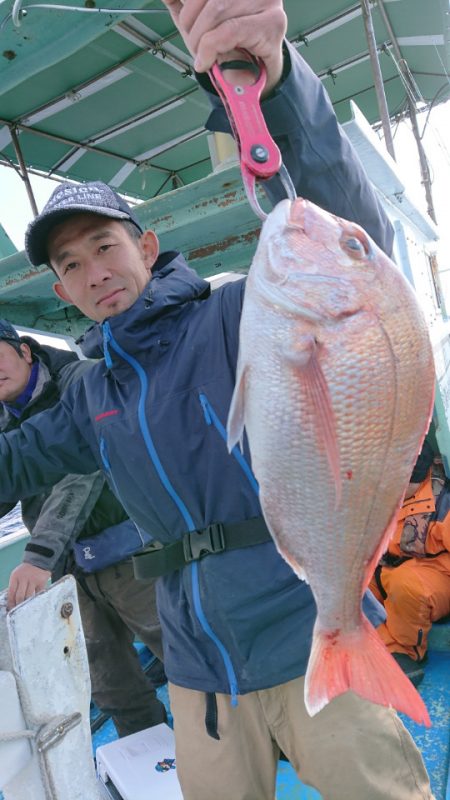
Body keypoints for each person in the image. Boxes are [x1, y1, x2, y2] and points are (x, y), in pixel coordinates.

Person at [0, 2, 434, 798]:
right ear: (60, 290)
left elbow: (338, 217)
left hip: (301, 624)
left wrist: (278, 83)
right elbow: (14, 460)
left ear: (147, 247)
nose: (94, 271)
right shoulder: (90, 391)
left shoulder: (240, 316)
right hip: (196, 668)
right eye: (71, 264)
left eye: (106, 244)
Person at [0, 319, 167, 737]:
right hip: (70, 574)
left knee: (190, 658)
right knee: (110, 684)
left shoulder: (80, 381)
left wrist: (38, 556)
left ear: (23, 349)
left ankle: (263, 753)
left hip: (133, 557)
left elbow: (84, 471)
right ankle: (148, 770)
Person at [370, 438, 450, 687]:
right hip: (385, 570)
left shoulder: (443, 500)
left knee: (408, 583)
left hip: (434, 575)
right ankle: (369, 648)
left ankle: (404, 653)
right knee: (348, 582)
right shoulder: (372, 495)